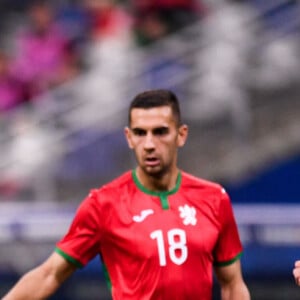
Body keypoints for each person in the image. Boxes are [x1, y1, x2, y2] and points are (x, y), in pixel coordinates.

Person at [2, 89, 250, 299]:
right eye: (140, 133)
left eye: (160, 132)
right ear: (129, 138)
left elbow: (232, 284)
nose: (150, 144)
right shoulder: (103, 204)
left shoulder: (214, 199)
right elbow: (50, 274)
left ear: (181, 135)